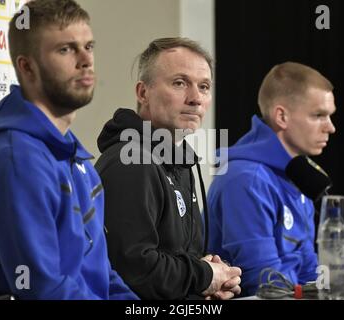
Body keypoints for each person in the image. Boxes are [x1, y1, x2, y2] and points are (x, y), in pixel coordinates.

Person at [0, 0, 137, 300]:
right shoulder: (15, 158)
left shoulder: (75, 158)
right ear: (27, 66)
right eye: (66, 49)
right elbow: (43, 289)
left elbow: (101, 275)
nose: (85, 60)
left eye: (89, 47)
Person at [95, 37, 242, 300]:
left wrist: (212, 280)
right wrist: (205, 276)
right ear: (143, 93)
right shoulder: (129, 163)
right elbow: (135, 272)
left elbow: (182, 259)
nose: (196, 98)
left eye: (204, 87)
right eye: (179, 83)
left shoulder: (180, 163)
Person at [207, 62, 336, 296]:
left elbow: (309, 269)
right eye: (319, 115)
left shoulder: (298, 175)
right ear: (282, 116)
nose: (331, 127)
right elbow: (266, 284)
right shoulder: (246, 180)